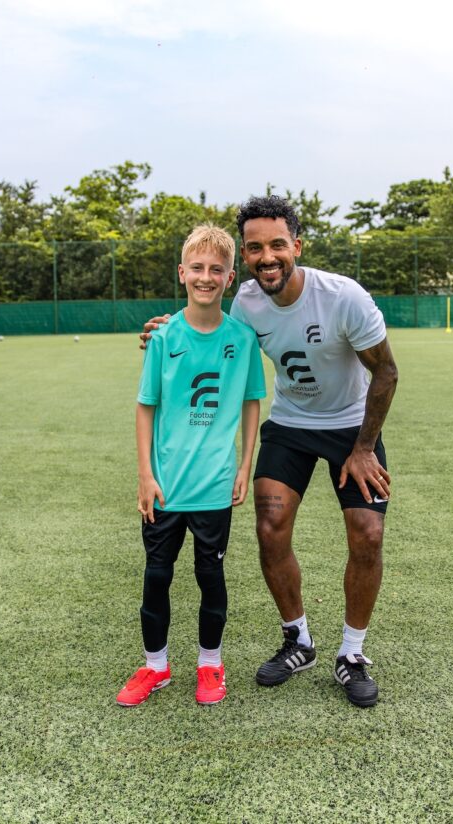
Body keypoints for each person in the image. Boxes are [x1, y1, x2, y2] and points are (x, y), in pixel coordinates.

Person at [142, 195, 399, 708]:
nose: (267, 257)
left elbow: (386, 371)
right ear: (246, 256)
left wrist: (365, 447)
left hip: (350, 426)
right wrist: (167, 327)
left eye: (277, 244)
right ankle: (297, 639)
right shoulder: (248, 303)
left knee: (368, 532)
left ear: (296, 246)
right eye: (255, 248)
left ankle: (351, 655)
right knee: (269, 525)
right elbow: (211, 325)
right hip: (291, 423)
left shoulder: (344, 297)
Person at [117, 224, 264, 707]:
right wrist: (145, 472)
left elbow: (249, 403)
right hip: (165, 485)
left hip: (214, 486)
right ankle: (155, 667)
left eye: (215, 270)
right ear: (182, 274)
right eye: (197, 268)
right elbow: (145, 406)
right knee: (157, 575)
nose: (206, 277)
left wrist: (245, 465)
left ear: (229, 277)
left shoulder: (242, 340)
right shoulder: (163, 337)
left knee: (210, 577)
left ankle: (210, 663)